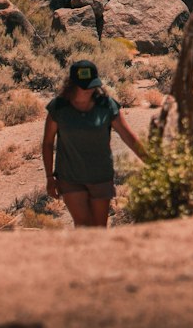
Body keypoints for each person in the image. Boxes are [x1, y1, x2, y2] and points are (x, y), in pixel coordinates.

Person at [42, 58, 147, 227]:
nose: (90, 90)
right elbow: (47, 143)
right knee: (83, 225)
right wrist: (49, 177)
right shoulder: (59, 107)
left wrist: (152, 162)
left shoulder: (106, 106)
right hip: (70, 177)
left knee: (99, 228)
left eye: (93, 85)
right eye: (85, 86)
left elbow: (128, 136)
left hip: (100, 176)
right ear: (72, 85)